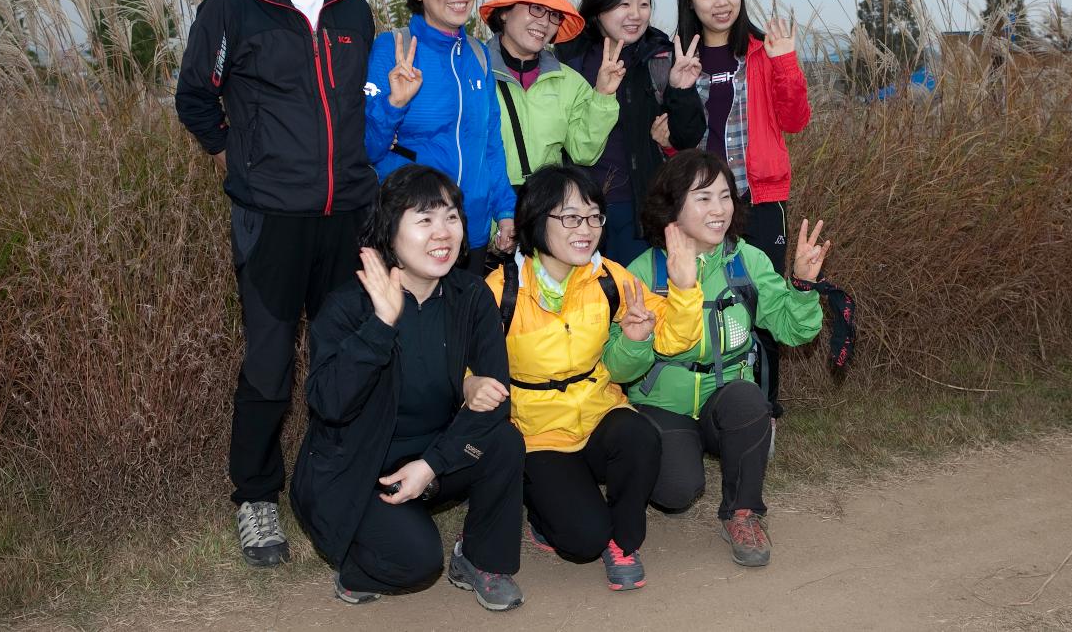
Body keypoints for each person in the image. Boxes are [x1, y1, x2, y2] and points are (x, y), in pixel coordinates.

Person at [175, 0, 377, 567]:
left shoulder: (355, 7)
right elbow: (196, 97)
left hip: (347, 213)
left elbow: (356, 107)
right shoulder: (232, 8)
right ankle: (255, 496)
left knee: (342, 351)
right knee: (268, 360)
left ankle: (330, 478)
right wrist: (237, 158)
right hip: (271, 218)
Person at [290, 165, 525, 610]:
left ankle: (482, 561)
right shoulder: (349, 305)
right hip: (359, 467)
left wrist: (431, 465)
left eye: (451, 217)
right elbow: (329, 404)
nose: (443, 232)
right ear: (389, 233)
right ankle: (362, 557)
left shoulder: (471, 297)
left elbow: (496, 403)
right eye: (424, 219)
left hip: (431, 456)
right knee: (416, 563)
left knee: (504, 441)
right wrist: (381, 325)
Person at [474, 164, 702, 591]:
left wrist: (685, 290)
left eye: (595, 216)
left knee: (640, 436)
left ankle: (625, 542)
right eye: (571, 217)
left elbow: (674, 336)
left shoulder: (607, 278)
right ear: (537, 220)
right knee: (581, 541)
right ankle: (544, 515)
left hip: (599, 412)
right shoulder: (500, 290)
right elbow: (468, 366)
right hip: (537, 433)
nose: (587, 229)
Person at [608, 149, 830, 567]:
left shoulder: (745, 260)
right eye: (704, 197)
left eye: (725, 196)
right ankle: (656, 465)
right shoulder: (642, 272)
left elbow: (793, 329)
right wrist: (638, 341)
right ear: (673, 205)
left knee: (750, 402)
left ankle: (743, 512)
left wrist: (801, 284)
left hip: (724, 398)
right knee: (676, 492)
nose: (720, 209)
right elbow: (618, 368)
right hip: (661, 405)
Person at [674, 0, 812, 417]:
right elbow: (675, 136)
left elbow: (795, 120)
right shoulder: (677, 55)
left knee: (763, 299)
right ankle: (700, 401)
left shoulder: (760, 49)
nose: (720, 0)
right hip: (700, 206)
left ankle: (763, 407)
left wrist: (785, 62)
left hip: (759, 197)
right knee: (701, 297)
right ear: (690, 1)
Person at [363, 0, 516, 274]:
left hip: (470, 232)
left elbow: (490, 143)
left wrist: (505, 211)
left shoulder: (479, 55)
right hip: (412, 235)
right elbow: (368, 150)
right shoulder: (393, 49)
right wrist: (394, 104)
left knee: (464, 327)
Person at [555, 0, 705, 264]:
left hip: (641, 206)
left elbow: (688, 136)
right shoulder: (571, 59)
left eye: (644, 4)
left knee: (638, 301)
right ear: (599, 7)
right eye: (623, 4)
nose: (635, 15)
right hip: (580, 206)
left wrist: (681, 88)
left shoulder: (660, 55)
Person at [478, 0, 622, 189]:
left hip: (543, 209)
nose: (545, 22)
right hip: (485, 211)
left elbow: (584, 153)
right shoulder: (473, 71)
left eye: (554, 15)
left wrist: (603, 95)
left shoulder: (570, 83)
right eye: (536, 8)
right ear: (504, 12)